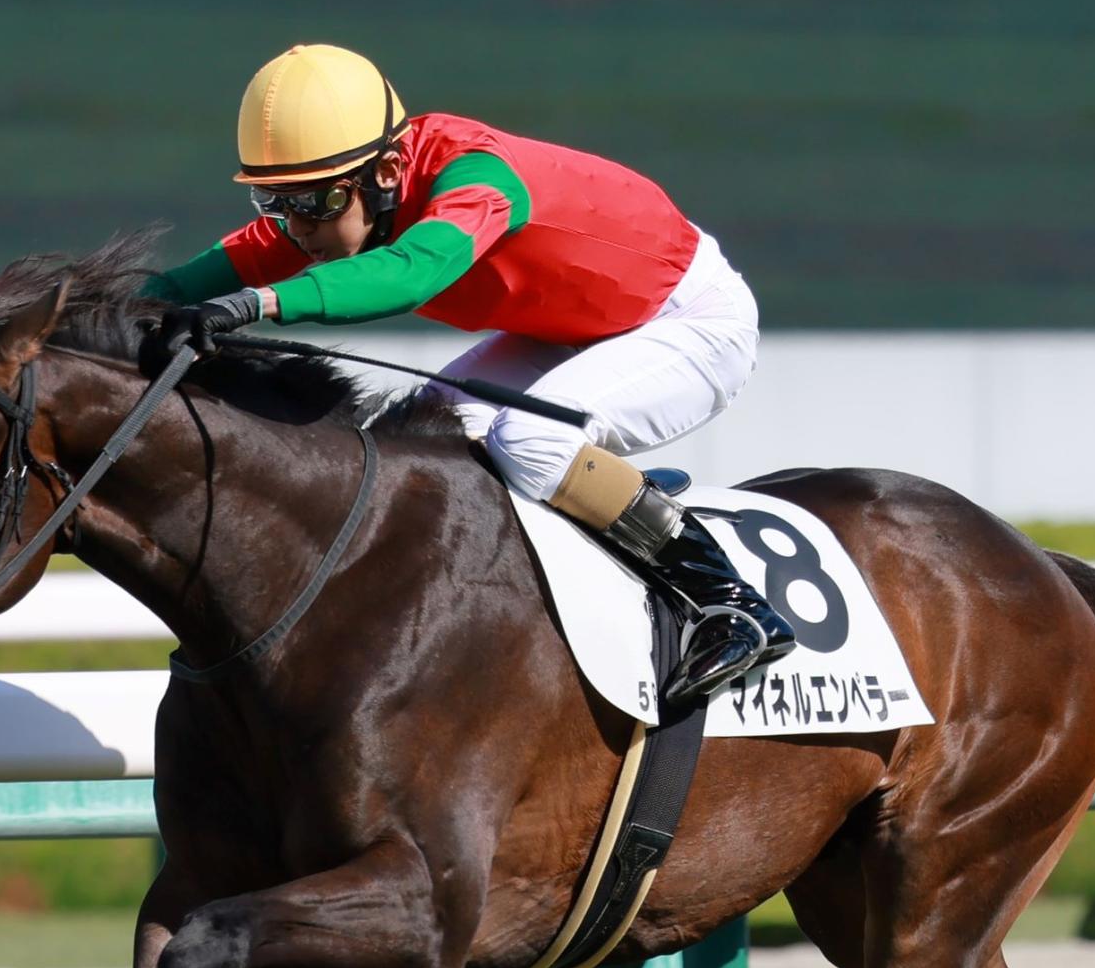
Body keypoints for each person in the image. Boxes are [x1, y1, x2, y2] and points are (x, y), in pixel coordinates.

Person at [140, 43, 795, 706]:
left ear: (390, 170)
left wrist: (261, 304)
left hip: (690, 322)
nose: (297, 226)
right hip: (575, 329)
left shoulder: (476, 180)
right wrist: (103, 301)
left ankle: (730, 601)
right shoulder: (355, 189)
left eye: (314, 202)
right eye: (276, 201)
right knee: (418, 438)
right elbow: (233, 259)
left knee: (531, 442)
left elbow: (413, 270)